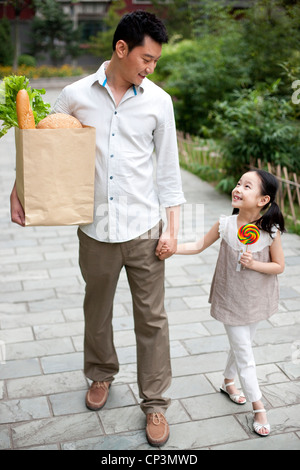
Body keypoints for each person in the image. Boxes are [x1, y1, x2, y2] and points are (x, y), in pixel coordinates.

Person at [10, 10, 185, 447]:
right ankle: (101, 374)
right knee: (98, 309)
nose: (150, 67)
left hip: (145, 228)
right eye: (145, 58)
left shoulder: (158, 101)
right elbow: (41, 145)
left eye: (156, 61)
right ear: (121, 49)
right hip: (95, 228)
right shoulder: (74, 94)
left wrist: (173, 229)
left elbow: (169, 171)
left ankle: (156, 403)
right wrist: (19, 189)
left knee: (152, 319)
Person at [160, 169, 285, 437]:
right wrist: (172, 249)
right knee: (245, 353)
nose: (238, 188)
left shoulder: (270, 231)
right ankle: (258, 406)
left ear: (263, 200)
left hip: (256, 299)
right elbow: (197, 245)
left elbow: (279, 266)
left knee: (242, 346)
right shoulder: (225, 225)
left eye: (247, 186)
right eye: (239, 183)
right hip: (231, 298)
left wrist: (255, 263)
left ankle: (229, 381)